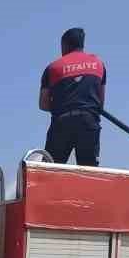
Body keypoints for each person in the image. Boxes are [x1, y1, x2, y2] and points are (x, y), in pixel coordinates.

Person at [39, 27, 106, 167]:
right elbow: (100, 103)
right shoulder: (99, 64)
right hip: (88, 122)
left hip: (61, 123)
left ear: (64, 45)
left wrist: (62, 106)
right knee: (89, 174)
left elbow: (43, 103)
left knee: (50, 172)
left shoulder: (53, 68)